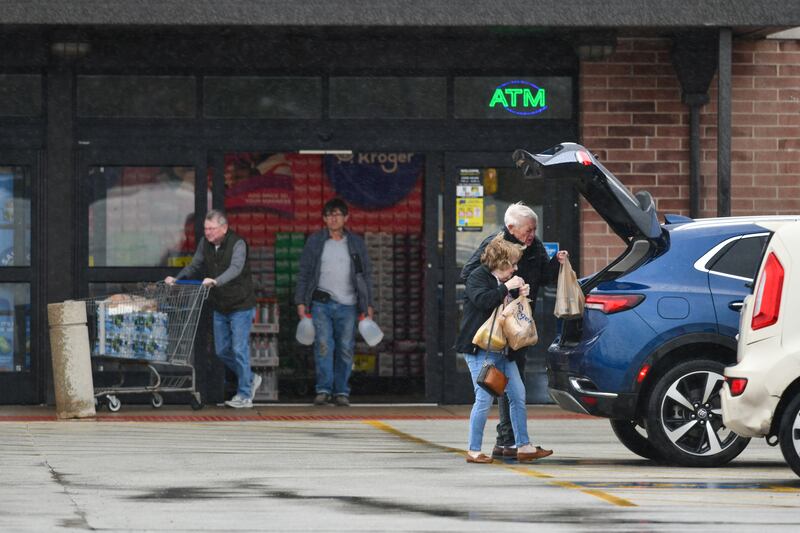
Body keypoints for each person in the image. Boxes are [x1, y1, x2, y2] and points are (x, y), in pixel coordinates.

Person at [460, 202, 568, 459]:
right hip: (487, 339)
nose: (532, 235)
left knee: (516, 391)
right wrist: (504, 286)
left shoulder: (534, 247)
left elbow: (544, 275)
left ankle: (518, 443)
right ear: (511, 228)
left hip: (514, 333)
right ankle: (484, 447)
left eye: (534, 229)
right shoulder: (493, 249)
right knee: (488, 394)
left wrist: (557, 264)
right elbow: (472, 278)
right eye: (528, 230)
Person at [165, 209, 260, 408]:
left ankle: (245, 395)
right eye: (206, 229)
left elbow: (236, 268)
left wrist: (216, 281)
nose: (207, 233)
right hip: (220, 305)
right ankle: (250, 378)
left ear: (224, 228)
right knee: (222, 350)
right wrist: (177, 278)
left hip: (241, 305)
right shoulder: (205, 244)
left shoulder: (238, 244)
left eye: (211, 229)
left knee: (239, 349)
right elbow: (195, 265)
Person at [295, 198, 375, 407]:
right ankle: (323, 389)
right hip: (321, 303)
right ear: (324, 219)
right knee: (323, 346)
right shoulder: (315, 242)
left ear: (346, 218)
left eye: (337, 214)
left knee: (346, 347)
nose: (333, 218)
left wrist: (367, 305)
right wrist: (301, 302)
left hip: (349, 304)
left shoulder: (355, 243)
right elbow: (304, 273)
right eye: (329, 215)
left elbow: (365, 275)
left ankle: (341, 391)